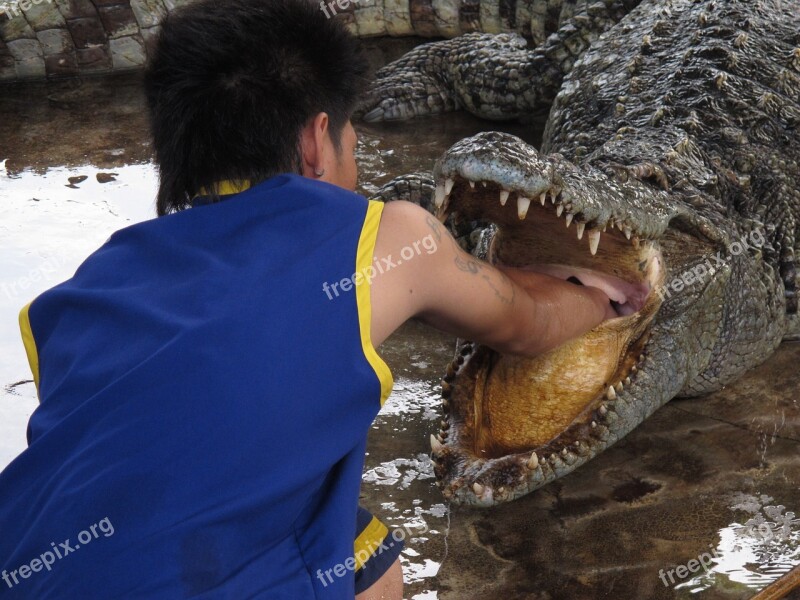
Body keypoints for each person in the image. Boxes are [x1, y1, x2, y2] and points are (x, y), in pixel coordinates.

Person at [0, 1, 615, 598]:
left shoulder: (88, 286)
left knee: (359, 555)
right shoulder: (392, 237)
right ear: (318, 140)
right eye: (350, 134)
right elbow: (528, 322)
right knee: (372, 572)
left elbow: (133, 459)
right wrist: (608, 296)